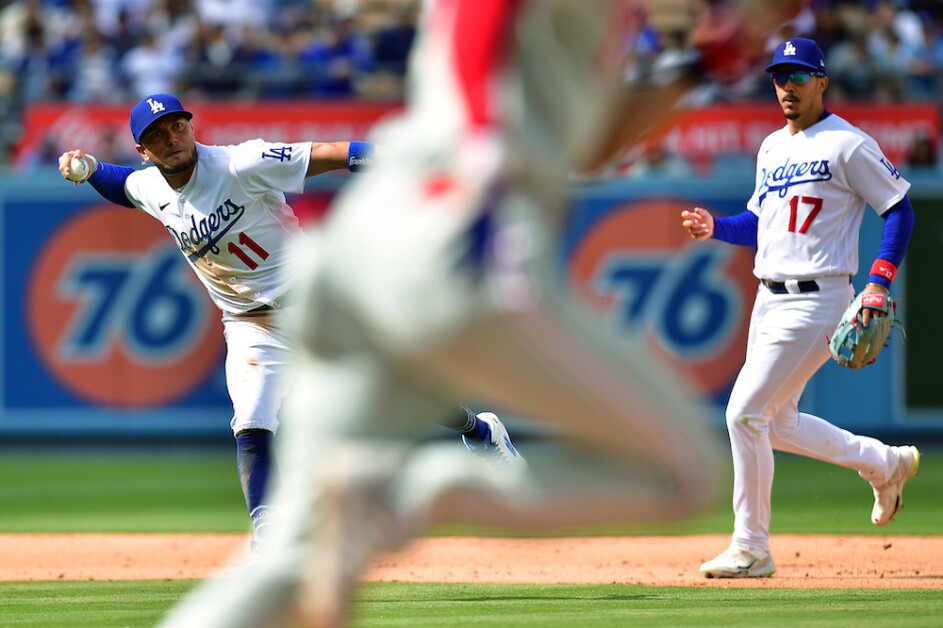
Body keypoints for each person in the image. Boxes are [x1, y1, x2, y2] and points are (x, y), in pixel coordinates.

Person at [158, 1, 802, 626]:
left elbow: (592, 143)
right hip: (456, 233)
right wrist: (485, 149)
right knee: (682, 474)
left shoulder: (602, 22)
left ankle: (368, 495)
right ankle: (416, 493)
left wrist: (713, 58)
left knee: (293, 560)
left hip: (363, 249)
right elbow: (480, 16)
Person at [57, 92, 524, 548]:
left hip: (314, 305)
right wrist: (91, 169)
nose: (172, 138)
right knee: (252, 422)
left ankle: (480, 431)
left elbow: (330, 154)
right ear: (143, 150)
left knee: (398, 389)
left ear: (191, 125)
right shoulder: (151, 185)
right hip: (249, 325)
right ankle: (266, 535)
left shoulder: (241, 163)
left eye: (178, 125)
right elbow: (124, 186)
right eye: (157, 135)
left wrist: (403, 164)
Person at [681, 38, 920, 579]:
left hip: (819, 298)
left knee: (743, 413)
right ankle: (886, 464)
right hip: (768, 298)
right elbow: (758, 222)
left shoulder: (848, 145)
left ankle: (752, 546)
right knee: (778, 424)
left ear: (821, 81)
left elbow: (899, 209)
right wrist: (715, 227)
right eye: (779, 76)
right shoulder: (770, 147)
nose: (786, 86)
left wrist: (879, 281)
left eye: (798, 75)